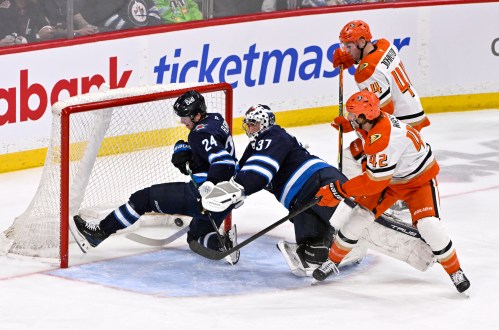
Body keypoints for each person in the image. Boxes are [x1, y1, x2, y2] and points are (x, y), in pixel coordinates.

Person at [312, 90, 470, 294]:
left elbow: (373, 183)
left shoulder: (383, 139)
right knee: (358, 217)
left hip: (418, 181)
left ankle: (455, 271)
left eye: (353, 115)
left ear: (364, 116)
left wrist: (339, 189)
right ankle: (332, 262)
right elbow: (371, 155)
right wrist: (351, 125)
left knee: (429, 225)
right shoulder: (373, 122)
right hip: (393, 178)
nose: (350, 117)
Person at [73, 90, 239, 261]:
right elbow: (215, 154)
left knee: (143, 199)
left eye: (185, 117)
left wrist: (209, 186)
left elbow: (224, 163)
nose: (182, 121)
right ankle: (223, 244)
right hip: (228, 197)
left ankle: (100, 232)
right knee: (196, 238)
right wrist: (190, 156)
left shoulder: (200, 134)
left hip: (203, 197)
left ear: (197, 114)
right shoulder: (216, 119)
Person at [200, 104, 360, 276]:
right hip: (302, 205)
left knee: (355, 223)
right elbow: (241, 173)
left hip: (321, 184)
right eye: (248, 124)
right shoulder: (255, 147)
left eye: (254, 123)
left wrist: (239, 188)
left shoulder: (274, 135)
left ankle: (364, 230)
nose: (250, 128)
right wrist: (214, 184)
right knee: (311, 254)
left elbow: (256, 173)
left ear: (266, 123)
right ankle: (341, 246)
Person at [331, 20, 429, 180]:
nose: (346, 51)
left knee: (353, 157)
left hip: (401, 122)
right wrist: (355, 60)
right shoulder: (385, 45)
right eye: (344, 46)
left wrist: (353, 123)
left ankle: (371, 197)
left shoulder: (365, 72)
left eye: (349, 46)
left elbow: (384, 111)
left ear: (362, 42)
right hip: (413, 113)